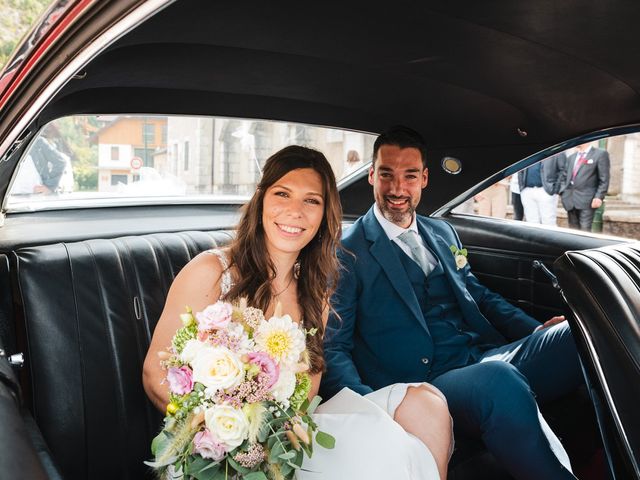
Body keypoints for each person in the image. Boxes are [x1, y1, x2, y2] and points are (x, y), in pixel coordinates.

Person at [143, 145, 451, 479]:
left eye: (311, 201)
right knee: (389, 452)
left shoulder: (316, 291)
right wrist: (225, 431)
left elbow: (308, 389)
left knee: (427, 403)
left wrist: (272, 432)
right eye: (283, 194)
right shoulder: (212, 271)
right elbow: (155, 376)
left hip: (286, 434)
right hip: (216, 451)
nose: (295, 212)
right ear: (261, 200)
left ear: (324, 214)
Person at [321, 126, 581, 480]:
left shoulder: (442, 232)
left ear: (424, 178)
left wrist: (535, 330)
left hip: (483, 353)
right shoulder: (345, 251)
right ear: (371, 176)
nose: (397, 189)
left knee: (580, 334)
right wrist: (371, 411)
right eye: (387, 175)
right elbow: (334, 347)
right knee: (497, 380)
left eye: (409, 175)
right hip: (425, 383)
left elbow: (481, 297)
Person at [559, 142, 610, 231]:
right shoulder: (571, 157)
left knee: (584, 231)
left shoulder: (600, 154)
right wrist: (563, 192)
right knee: (572, 231)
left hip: (588, 200)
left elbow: (604, 179)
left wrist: (599, 197)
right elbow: (564, 176)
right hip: (570, 200)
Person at [518, 153, 565, 225]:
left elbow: (563, 170)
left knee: (548, 222)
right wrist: (522, 187)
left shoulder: (557, 150)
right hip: (527, 190)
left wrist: (555, 189)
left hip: (546, 191)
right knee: (531, 222)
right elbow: (520, 168)